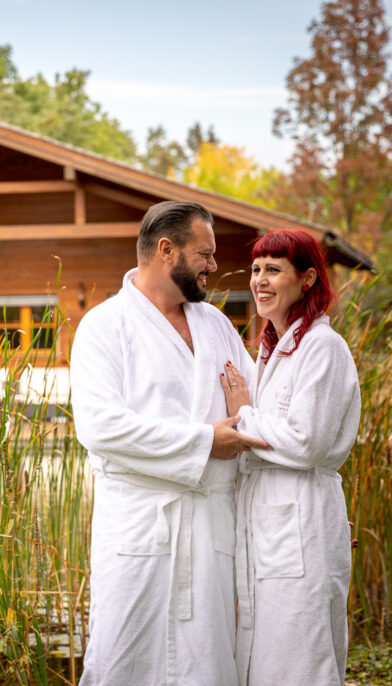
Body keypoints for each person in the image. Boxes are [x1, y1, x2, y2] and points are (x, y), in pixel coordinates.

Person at [71, 200, 269, 685]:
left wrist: (307, 509)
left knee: (209, 660)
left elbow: (256, 417)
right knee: (125, 656)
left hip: (210, 526)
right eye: (205, 253)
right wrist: (204, 441)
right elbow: (100, 426)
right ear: (166, 250)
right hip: (140, 526)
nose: (214, 266)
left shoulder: (217, 326)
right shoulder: (104, 326)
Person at [219, 229, 361, 686]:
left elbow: (308, 442)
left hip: (301, 519)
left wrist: (243, 414)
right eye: (256, 269)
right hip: (271, 521)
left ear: (307, 279)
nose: (260, 279)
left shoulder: (322, 347)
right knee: (265, 657)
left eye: (273, 269)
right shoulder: (269, 350)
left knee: (303, 657)